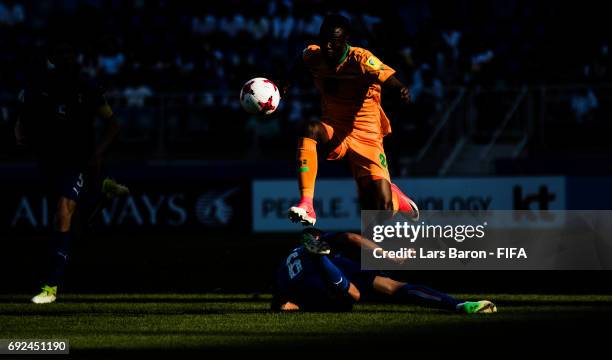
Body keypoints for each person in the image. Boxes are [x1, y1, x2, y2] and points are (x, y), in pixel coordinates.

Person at [14, 42, 129, 304]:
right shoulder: (38, 86)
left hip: (78, 161)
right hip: (49, 160)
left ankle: (50, 287)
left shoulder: (87, 87)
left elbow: (112, 123)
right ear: (51, 58)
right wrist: (20, 134)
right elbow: (22, 117)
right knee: (73, 225)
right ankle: (101, 191)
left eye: (70, 52)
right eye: (61, 52)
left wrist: (98, 153)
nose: (66, 57)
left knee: (62, 213)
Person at [283, 14, 417, 226]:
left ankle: (396, 199)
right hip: (335, 130)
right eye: (324, 40)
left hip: (368, 137)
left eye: (334, 42)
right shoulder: (313, 55)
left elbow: (386, 76)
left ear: (345, 41)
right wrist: (284, 84)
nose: (327, 46)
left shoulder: (361, 59)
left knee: (381, 211)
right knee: (309, 129)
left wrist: (400, 88)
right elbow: (298, 64)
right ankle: (307, 203)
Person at [272, 228, 497, 314]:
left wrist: (290, 303)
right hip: (324, 272)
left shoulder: (289, 260)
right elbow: (351, 237)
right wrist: (390, 255)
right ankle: (457, 305)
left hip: (301, 285)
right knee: (380, 290)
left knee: (343, 300)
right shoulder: (319, 244)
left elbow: (281, 291)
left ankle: (302, 303)